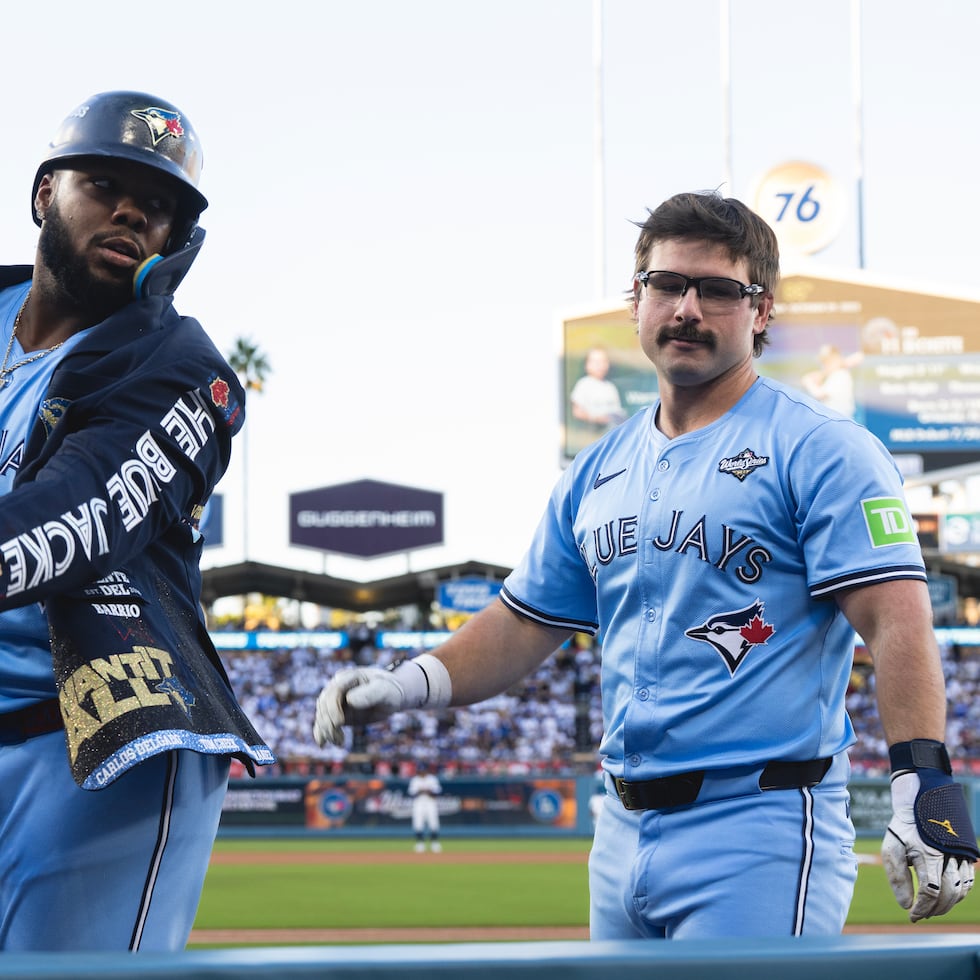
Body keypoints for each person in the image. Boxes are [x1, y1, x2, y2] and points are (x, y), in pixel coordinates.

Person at [315, 190, 977, 939]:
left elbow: (896, 621)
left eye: (719, 290)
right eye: (667, 285)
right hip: (620, 830)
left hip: (756, 824)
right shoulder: (597, 468)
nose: (687, 308)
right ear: (637, 302)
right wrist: (404, 683)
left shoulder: (822, 446)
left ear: (761, 313)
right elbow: (522, 624)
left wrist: (925, 781)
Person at [0, 91, 274, 952]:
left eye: (160, 205)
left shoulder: (183, 367)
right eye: (106, 183)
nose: (132, 211)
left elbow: (77, 519)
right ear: (47, 193)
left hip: (94, 746)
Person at [569, 346, 626, 431]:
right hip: (591, 432)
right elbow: (577, 412)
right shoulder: (584, 384)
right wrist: (597, 419)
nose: (600, 365)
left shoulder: (610, 387)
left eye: (603, 361)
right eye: (596, 362)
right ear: (587, 364)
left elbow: (617, 412)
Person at [407, 761, 443, 852]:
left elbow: (437, 792)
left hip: (431, 802)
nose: (422, 772)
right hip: (418, 803)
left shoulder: (432, 779)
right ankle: (420, 843)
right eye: (420, 770)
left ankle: (434, 843)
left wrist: (426, 790)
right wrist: (423, 790)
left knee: (433, 823)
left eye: (423, 770)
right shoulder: (415, 779)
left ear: (427, 770)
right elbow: (412, 793)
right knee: (418, 823)